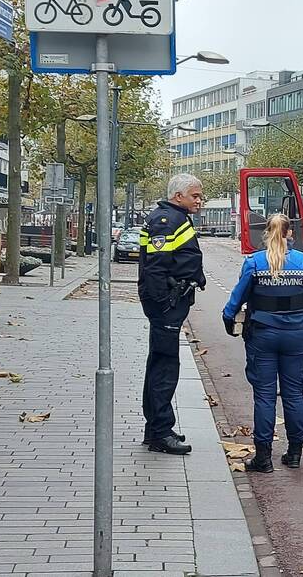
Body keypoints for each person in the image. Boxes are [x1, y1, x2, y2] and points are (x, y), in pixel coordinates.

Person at [222, 214, 303, 472]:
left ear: (266, 233)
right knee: (294, 393)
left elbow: (237, 297)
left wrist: (229, 317)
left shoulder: (254, 263)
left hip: (263, 334)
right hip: (295, 336)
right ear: (289, 234)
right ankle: (295, 453)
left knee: (264, 395)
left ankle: (263, 458)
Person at [138, 174, 206, 455]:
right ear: (178, 196)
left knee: (160, 363)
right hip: (167, 304)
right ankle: (160, 433)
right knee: (165, 367)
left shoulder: (174, 217)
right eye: (195, 196)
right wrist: (164, 302)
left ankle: (155, 427)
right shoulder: (165, 220)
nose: (199, 201)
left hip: (171, 301)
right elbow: (156, 267)